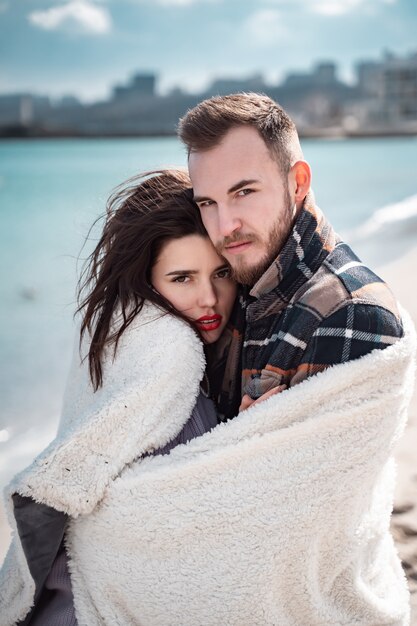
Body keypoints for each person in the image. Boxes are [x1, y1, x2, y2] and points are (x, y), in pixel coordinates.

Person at [0, 169, 239, 625]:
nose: (209, 298)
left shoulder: (113, 332)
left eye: (221, 273)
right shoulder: (168, 355)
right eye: (182, 278)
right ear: (146, 282)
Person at [178, 92, 405, 418]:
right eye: (207, 203)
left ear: (298, 183)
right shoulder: (232, 280)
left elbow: (321, 467)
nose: (225, 226)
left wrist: (246, 439)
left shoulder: (349, 312)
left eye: (244, 192)